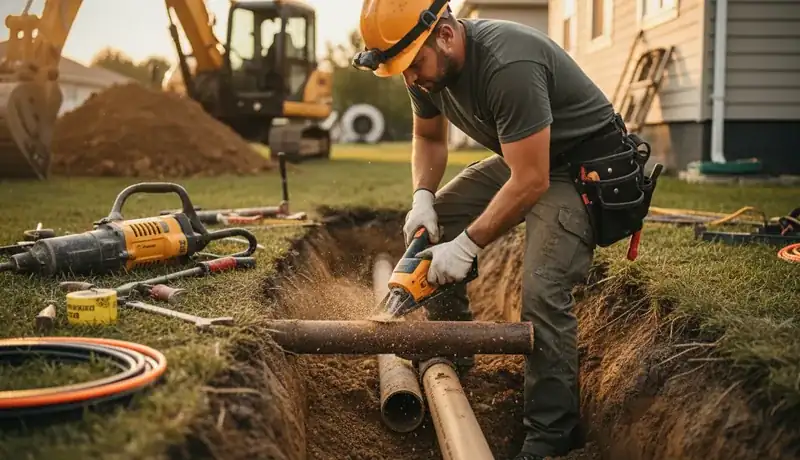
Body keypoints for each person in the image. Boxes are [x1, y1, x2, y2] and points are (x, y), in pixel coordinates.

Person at [353, 1, 660, 459]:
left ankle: (549, 437)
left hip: (580, 169)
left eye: (414, 64)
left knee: (542, 287)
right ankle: (452, 349)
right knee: (441, 221)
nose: (411, 78)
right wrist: (423, 197)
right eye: (402, 70)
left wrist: (467, 246)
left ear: (445, 34)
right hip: (531, 158)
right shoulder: (422, 68)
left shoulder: (507, 64)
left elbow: (532, 180)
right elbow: (429, 137)